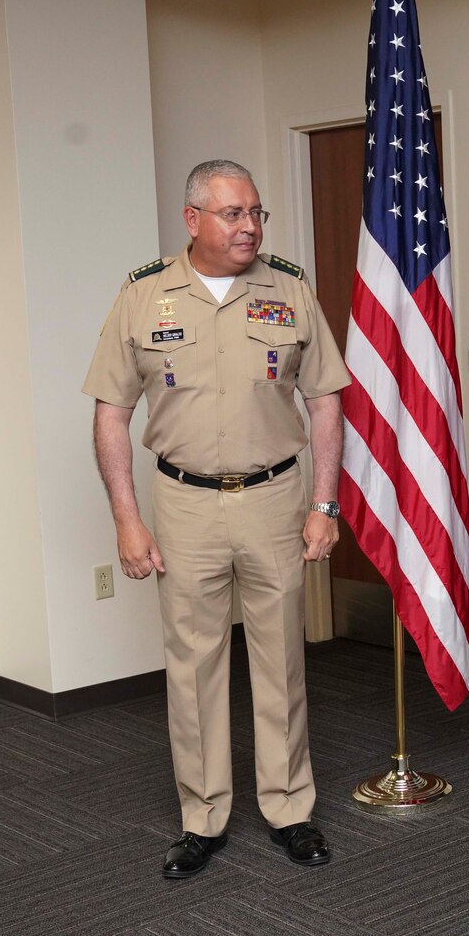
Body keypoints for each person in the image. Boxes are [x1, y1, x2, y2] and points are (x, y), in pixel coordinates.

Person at [84, 159, 349, 877]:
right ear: (192, 218)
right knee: (193, 667)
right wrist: (126, 520)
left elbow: (325, 400)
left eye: (257, 213)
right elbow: (111, 414)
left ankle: (290, 808)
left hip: (274, 499)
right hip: (183, 503)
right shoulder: (143, 295)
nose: (250, 227)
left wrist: (325, 503)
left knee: (281, 662)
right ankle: (203, 819)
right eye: (234, 214)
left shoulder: (288, 287)